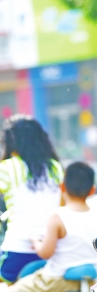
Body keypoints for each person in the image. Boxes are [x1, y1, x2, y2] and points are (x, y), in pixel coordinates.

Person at [8, 161, 97, 292]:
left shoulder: (58, 215)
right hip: (91, 280)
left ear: (62, 187)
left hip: (57, 280)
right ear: (92, 190)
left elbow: (45, 253)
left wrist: (36, 242)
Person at [0, 114, 64, 285]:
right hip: (51, 250)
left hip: (17, 250)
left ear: (11, 142)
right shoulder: (55, 168)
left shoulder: (7, 168)